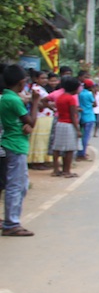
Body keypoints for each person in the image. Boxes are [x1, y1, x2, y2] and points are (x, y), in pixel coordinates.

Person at [1, 65, 41, 236]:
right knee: (15, 185)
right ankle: (11, 223)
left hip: (14, 143)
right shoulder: (13, 100)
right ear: (21, 82)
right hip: (15, 145)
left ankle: (12, 220)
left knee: (20, 184)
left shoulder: (7, 98)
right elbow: (31, 122)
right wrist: (36, 102)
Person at [51, 77, 81, 178]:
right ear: (74, 88)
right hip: (69, 125)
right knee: (69, 149)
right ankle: (67, 170)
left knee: (57, 147)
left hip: (60, 123)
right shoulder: (71, 99)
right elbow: (73, 116)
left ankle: (56, 169)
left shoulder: (60, 97)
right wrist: (77, 130)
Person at [27, 70, 53, 170]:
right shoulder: (36, 89)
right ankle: (36, 162)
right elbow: (38, 102)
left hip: (46, 117)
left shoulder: (41, 88)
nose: (45, 80)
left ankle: (42, 160)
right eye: (42, 78)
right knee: (39, 140)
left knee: (44, 139)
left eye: (46, 78)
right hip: (40, 117)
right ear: (36, 79)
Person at [77, 80, 96, 161]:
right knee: (86, 136)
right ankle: (82, 153)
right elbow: (95, 104)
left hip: (81, 116)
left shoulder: (80, 93)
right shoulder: (89, 94)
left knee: (82, 135)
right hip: (89, 116)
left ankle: (80, 152)